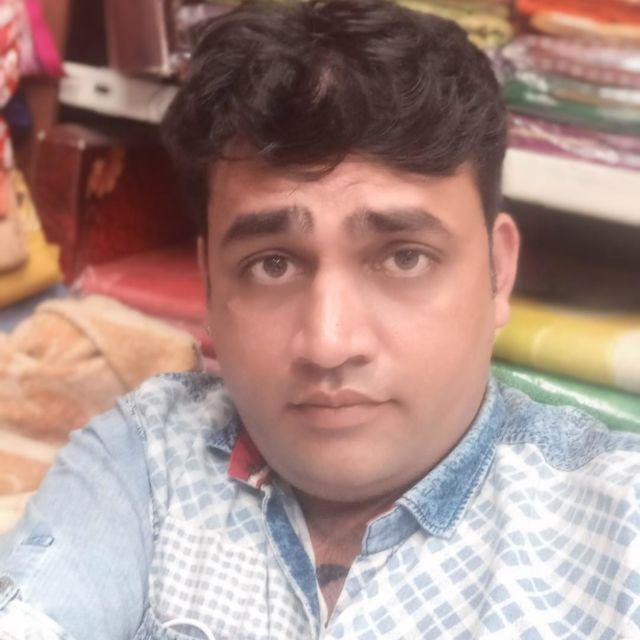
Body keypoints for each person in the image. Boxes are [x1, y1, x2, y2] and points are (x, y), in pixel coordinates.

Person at [1, 0, 639, 637]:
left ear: (498, 270)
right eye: (272, 264)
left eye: (405, 257)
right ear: (209, 284)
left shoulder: (617, 526)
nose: (330, 343)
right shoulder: (142, 462)